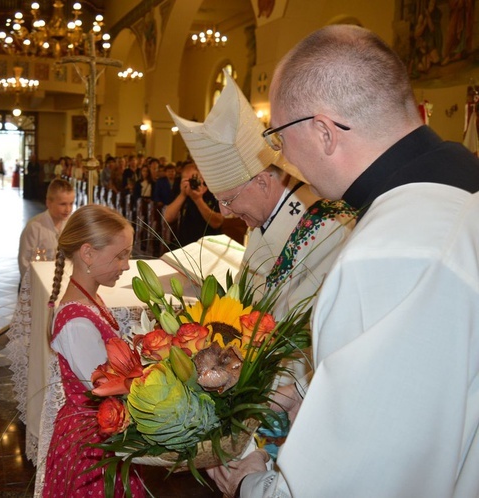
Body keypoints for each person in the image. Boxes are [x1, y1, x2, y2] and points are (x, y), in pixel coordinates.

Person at [213, 25, 479, 497]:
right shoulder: (458, 192)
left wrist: (249, 484)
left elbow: (354, 483)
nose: (283, 156)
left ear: (323, 132)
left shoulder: (391, 253)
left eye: (278, 138)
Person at [169, 71, 355, 318]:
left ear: (263, 183)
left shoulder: (326, 225)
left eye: (228, 200)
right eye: (220, 201)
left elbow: (303, 324)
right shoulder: (264, 216)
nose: (225, 212)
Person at [38, 204, 144, 497]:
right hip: (91, 443)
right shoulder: (77, 324)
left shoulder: (89, 298)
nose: (126, 264)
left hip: (101, 430)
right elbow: (106, 387)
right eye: (120, 255)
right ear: (87, 254)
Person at [17, 178, 75, 279]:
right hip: (38, 281)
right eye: (63, 204)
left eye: (71, 203)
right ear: (48, 203)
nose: (68, 209)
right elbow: (24, 262)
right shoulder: (34, 227)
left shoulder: (71, 225)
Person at [162, 161, 223, 246]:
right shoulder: (181, 193)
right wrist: (183, 194)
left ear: (202, 178)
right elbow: (167, 218)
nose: (192, 184)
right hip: (184, 245)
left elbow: (216, 223)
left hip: (208, 245)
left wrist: (198, 200)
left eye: (194, 179)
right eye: (188, 180)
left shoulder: (213, 192)